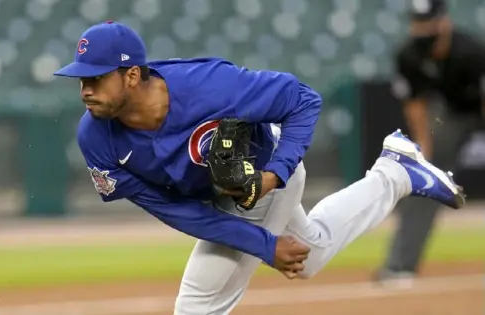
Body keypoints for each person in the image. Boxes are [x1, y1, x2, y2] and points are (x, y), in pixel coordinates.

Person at [53, 20, 465, 314]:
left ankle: (392, 172)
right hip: (219, 196)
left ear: (131, 76)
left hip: (261, 174)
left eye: (96, 78)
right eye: (81, 80)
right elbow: (176, 211)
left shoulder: (210, 86)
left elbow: (303, 100)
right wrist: (266, 247)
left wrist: (275, 175)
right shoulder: (95, 138)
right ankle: (395, 172)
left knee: (197, 306)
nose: (85, 89)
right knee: (311, 252)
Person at [377, 0, 484, 283]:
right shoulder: (409, 56)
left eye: (431, 24)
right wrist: (423, 150)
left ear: (444, 22)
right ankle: (400, 265)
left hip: (478, 108)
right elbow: (415, 105)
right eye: (419, 25)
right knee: (423, 180)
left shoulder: (472, 52)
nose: (426, 32)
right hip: (449, 116)